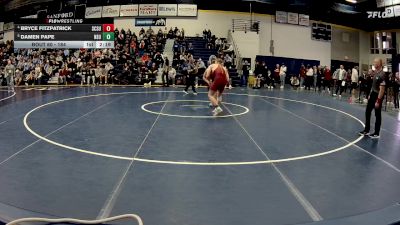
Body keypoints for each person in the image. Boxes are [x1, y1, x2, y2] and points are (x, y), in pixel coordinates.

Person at [359, 58, 386, 139]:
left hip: (378, 96)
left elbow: (382, 89)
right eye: (374, 62)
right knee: (368, 111)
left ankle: (376, 133)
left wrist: (378, 101)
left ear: (379, 64)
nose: (374, 63)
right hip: (373, 94)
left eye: (375, 62)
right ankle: (366, 130)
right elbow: (373, 86)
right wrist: (370, 94)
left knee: (377, 114)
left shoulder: (382, 74)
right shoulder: (375, 73)